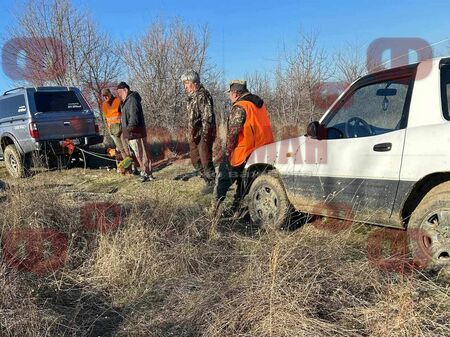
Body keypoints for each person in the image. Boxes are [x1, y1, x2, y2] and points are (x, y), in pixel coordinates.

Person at [214, 80, 274, 217]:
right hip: (262, 151)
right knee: (244, 181)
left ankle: (214, 210)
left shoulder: (240, 106)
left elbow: (233, 132)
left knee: (223, 178)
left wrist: (227, 151)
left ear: (235, 93)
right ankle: (236, 209)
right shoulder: (259, 104)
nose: (229, 96)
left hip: (244, 150)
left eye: (230, 93)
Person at [181, 70, 216, 194]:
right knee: (195, 159)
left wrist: (206, 136)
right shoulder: (191, 97)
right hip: (194, 133)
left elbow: (208, 117)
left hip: (204, 133)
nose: (185, 86)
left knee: (205, 158)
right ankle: (206, 178)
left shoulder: (203, 95)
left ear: (194, 83)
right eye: (184, 83)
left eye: (186, 83)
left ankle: (212, 183)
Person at [116, 81, 154, 182]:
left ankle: (146, 174)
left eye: (120, 92)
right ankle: (145, 173)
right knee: (138, 155)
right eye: (118, 93)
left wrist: (128, 130)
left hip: (137, 132)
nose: (119, 95)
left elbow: (134, 118)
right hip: (131, 133)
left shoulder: (132, 100)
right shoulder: (125, 102)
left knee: (142, 154)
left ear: (126, 90)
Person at [101, 88, 126, 156]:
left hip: (121, 130)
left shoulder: (118, 101)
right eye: (103, 96)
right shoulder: (104, 105)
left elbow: (124, 114)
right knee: (121, 150)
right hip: (112, 131)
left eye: (106, 95)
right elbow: (105, 119)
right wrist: (109, 130)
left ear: (110, 94)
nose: (105, 97)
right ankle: (128, 166)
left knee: (126, 149)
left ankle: (132, 165)